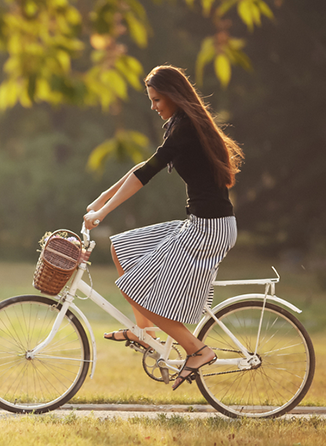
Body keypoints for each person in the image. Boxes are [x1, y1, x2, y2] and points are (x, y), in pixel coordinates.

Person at [82, 65, 244, 390]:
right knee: (121, 247)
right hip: (202, 223)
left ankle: (197, 350)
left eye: (156, 99)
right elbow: (144, 166)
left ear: (171, 96)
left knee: (133, 287)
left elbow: (147, 174)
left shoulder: (185, 128)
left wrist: (103, 212)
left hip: (209, 231)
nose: (153, 106)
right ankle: (145, 331)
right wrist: (103, 196)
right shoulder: (180, 125)